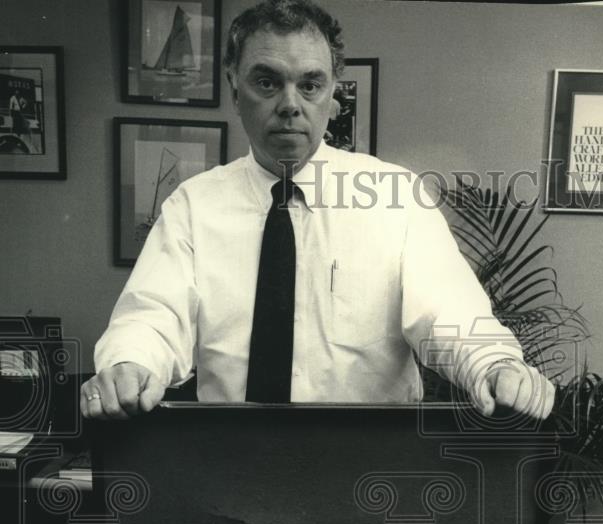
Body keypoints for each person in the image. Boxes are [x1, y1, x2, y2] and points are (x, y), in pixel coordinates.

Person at [82, 0, 554, 420]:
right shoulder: (192, 205)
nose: (290, 105)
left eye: (310, 85)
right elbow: (153, 316)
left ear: (332, 96)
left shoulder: (395, 196)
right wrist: (129, 364)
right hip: (230, 467)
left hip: (365, 472)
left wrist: (494, 364)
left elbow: (448, 313)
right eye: (267, 81)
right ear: (234, 88)